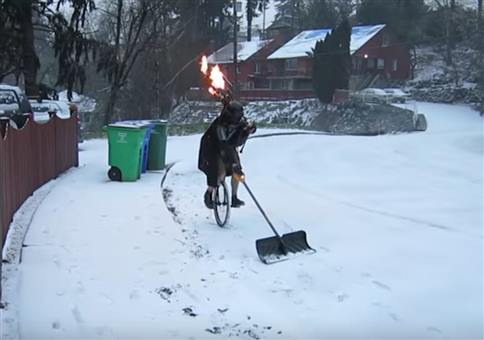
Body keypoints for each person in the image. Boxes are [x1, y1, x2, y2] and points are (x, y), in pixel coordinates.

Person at [198, 100, 256, 209]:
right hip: (212, 147)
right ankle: (210, 192)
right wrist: (231, 162)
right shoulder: (220, 125)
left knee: (238, 171)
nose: (238, 119)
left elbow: (238, 138)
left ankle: (234, 197)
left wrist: (249, 129)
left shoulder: (240, 121)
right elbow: (223, 144)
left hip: (228, 146)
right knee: (219, 173)